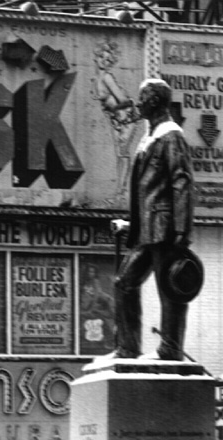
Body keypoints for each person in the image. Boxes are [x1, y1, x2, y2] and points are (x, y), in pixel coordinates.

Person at [107, 78, 194, 361]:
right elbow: (149, 195)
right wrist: (130, 225)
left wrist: (181, 230)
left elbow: (181, 182)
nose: (139, 102)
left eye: (143, 98)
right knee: (124, 283)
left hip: (166, 230)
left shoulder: (171, 136)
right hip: (147, 232)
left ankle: (171, 350)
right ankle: (128, 348)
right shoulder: (151, 138)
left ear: (154, 101)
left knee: (170, 289)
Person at [91, 40, 140, 196]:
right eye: (102, 57)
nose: (104, 61)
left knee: (123, 154)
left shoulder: (107, 78)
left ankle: (121, 192)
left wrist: (111, 108)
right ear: (96, 57)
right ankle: (119, 192)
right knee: (119, 155)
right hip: (116, 120)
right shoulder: (96, 79)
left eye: (108, 60)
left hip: (127, 119)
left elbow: (125, 101)